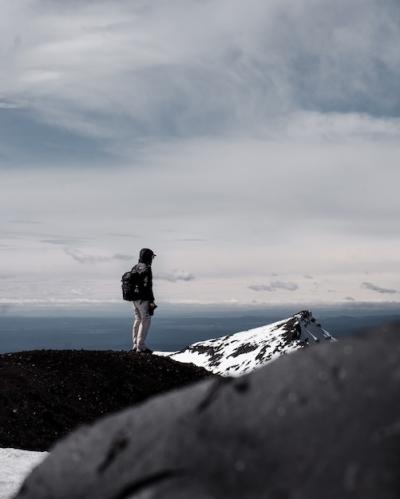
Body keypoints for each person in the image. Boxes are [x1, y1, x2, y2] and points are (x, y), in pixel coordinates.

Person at [131, 248, 157, 353]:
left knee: (137, 320)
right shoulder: (147, 268)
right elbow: (148, 286)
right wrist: (151, 301)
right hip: (143, 299)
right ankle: (140, 347)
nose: (152, 259)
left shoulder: (135, 267)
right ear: (148, 257)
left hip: (134, 299)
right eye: (151, 256)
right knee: (145, 320)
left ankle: (135, 344)